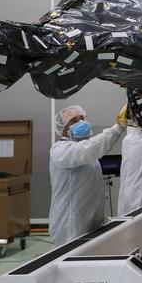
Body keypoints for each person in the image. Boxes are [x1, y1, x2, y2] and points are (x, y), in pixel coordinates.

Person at [49, 104, 127, 246]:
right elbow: (89, 149)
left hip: (90, 225)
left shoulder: (87, 153)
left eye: (82, 118)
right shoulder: (59, 150)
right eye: (74, 121)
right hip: (70, 228)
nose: (81, 123)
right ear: (63, 130)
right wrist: (118, 127)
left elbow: (91, 189)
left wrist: (100, 218)